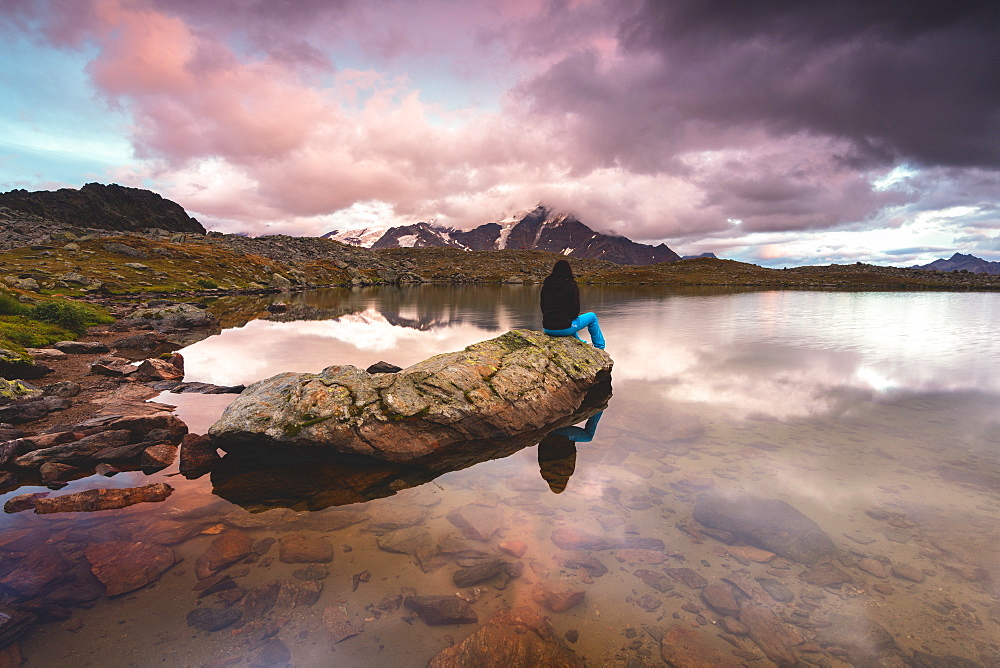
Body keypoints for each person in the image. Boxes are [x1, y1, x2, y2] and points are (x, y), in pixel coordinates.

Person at [540, 260, 606, 349]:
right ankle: (600, 347)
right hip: (563, 329)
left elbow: (543, 306)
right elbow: (575, 308)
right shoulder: (571, 285)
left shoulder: (546, 285)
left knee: (568, 321)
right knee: (592, 317)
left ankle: (582, 343)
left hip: (547, 328)